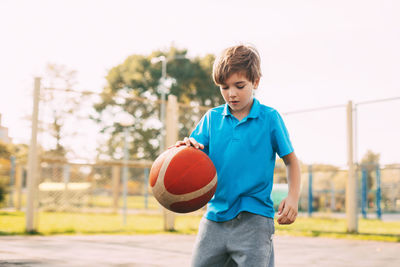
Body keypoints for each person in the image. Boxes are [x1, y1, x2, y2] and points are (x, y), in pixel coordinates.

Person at [173, 44, 301, 267]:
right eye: (224, 87)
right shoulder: (211, 119)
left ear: (256, 82)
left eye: (239, 86)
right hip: (215, 219)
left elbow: (291, 161)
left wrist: (293, 197)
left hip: (255, 220)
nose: (231, 93)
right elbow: (193, 154)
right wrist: (186, 147)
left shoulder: (270, 118)